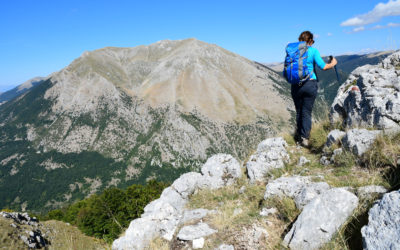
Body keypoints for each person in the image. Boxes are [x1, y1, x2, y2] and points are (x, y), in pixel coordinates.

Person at [289, 31, 337, 146]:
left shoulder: (293, 52)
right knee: (306, 112)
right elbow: (323, 67)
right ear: (310, 41)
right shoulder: (313, 51)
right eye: (312, 41)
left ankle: (298, 137)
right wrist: (333, 63)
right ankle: (305, 138)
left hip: (296, 85)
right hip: (310, 84)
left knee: (299, 111)